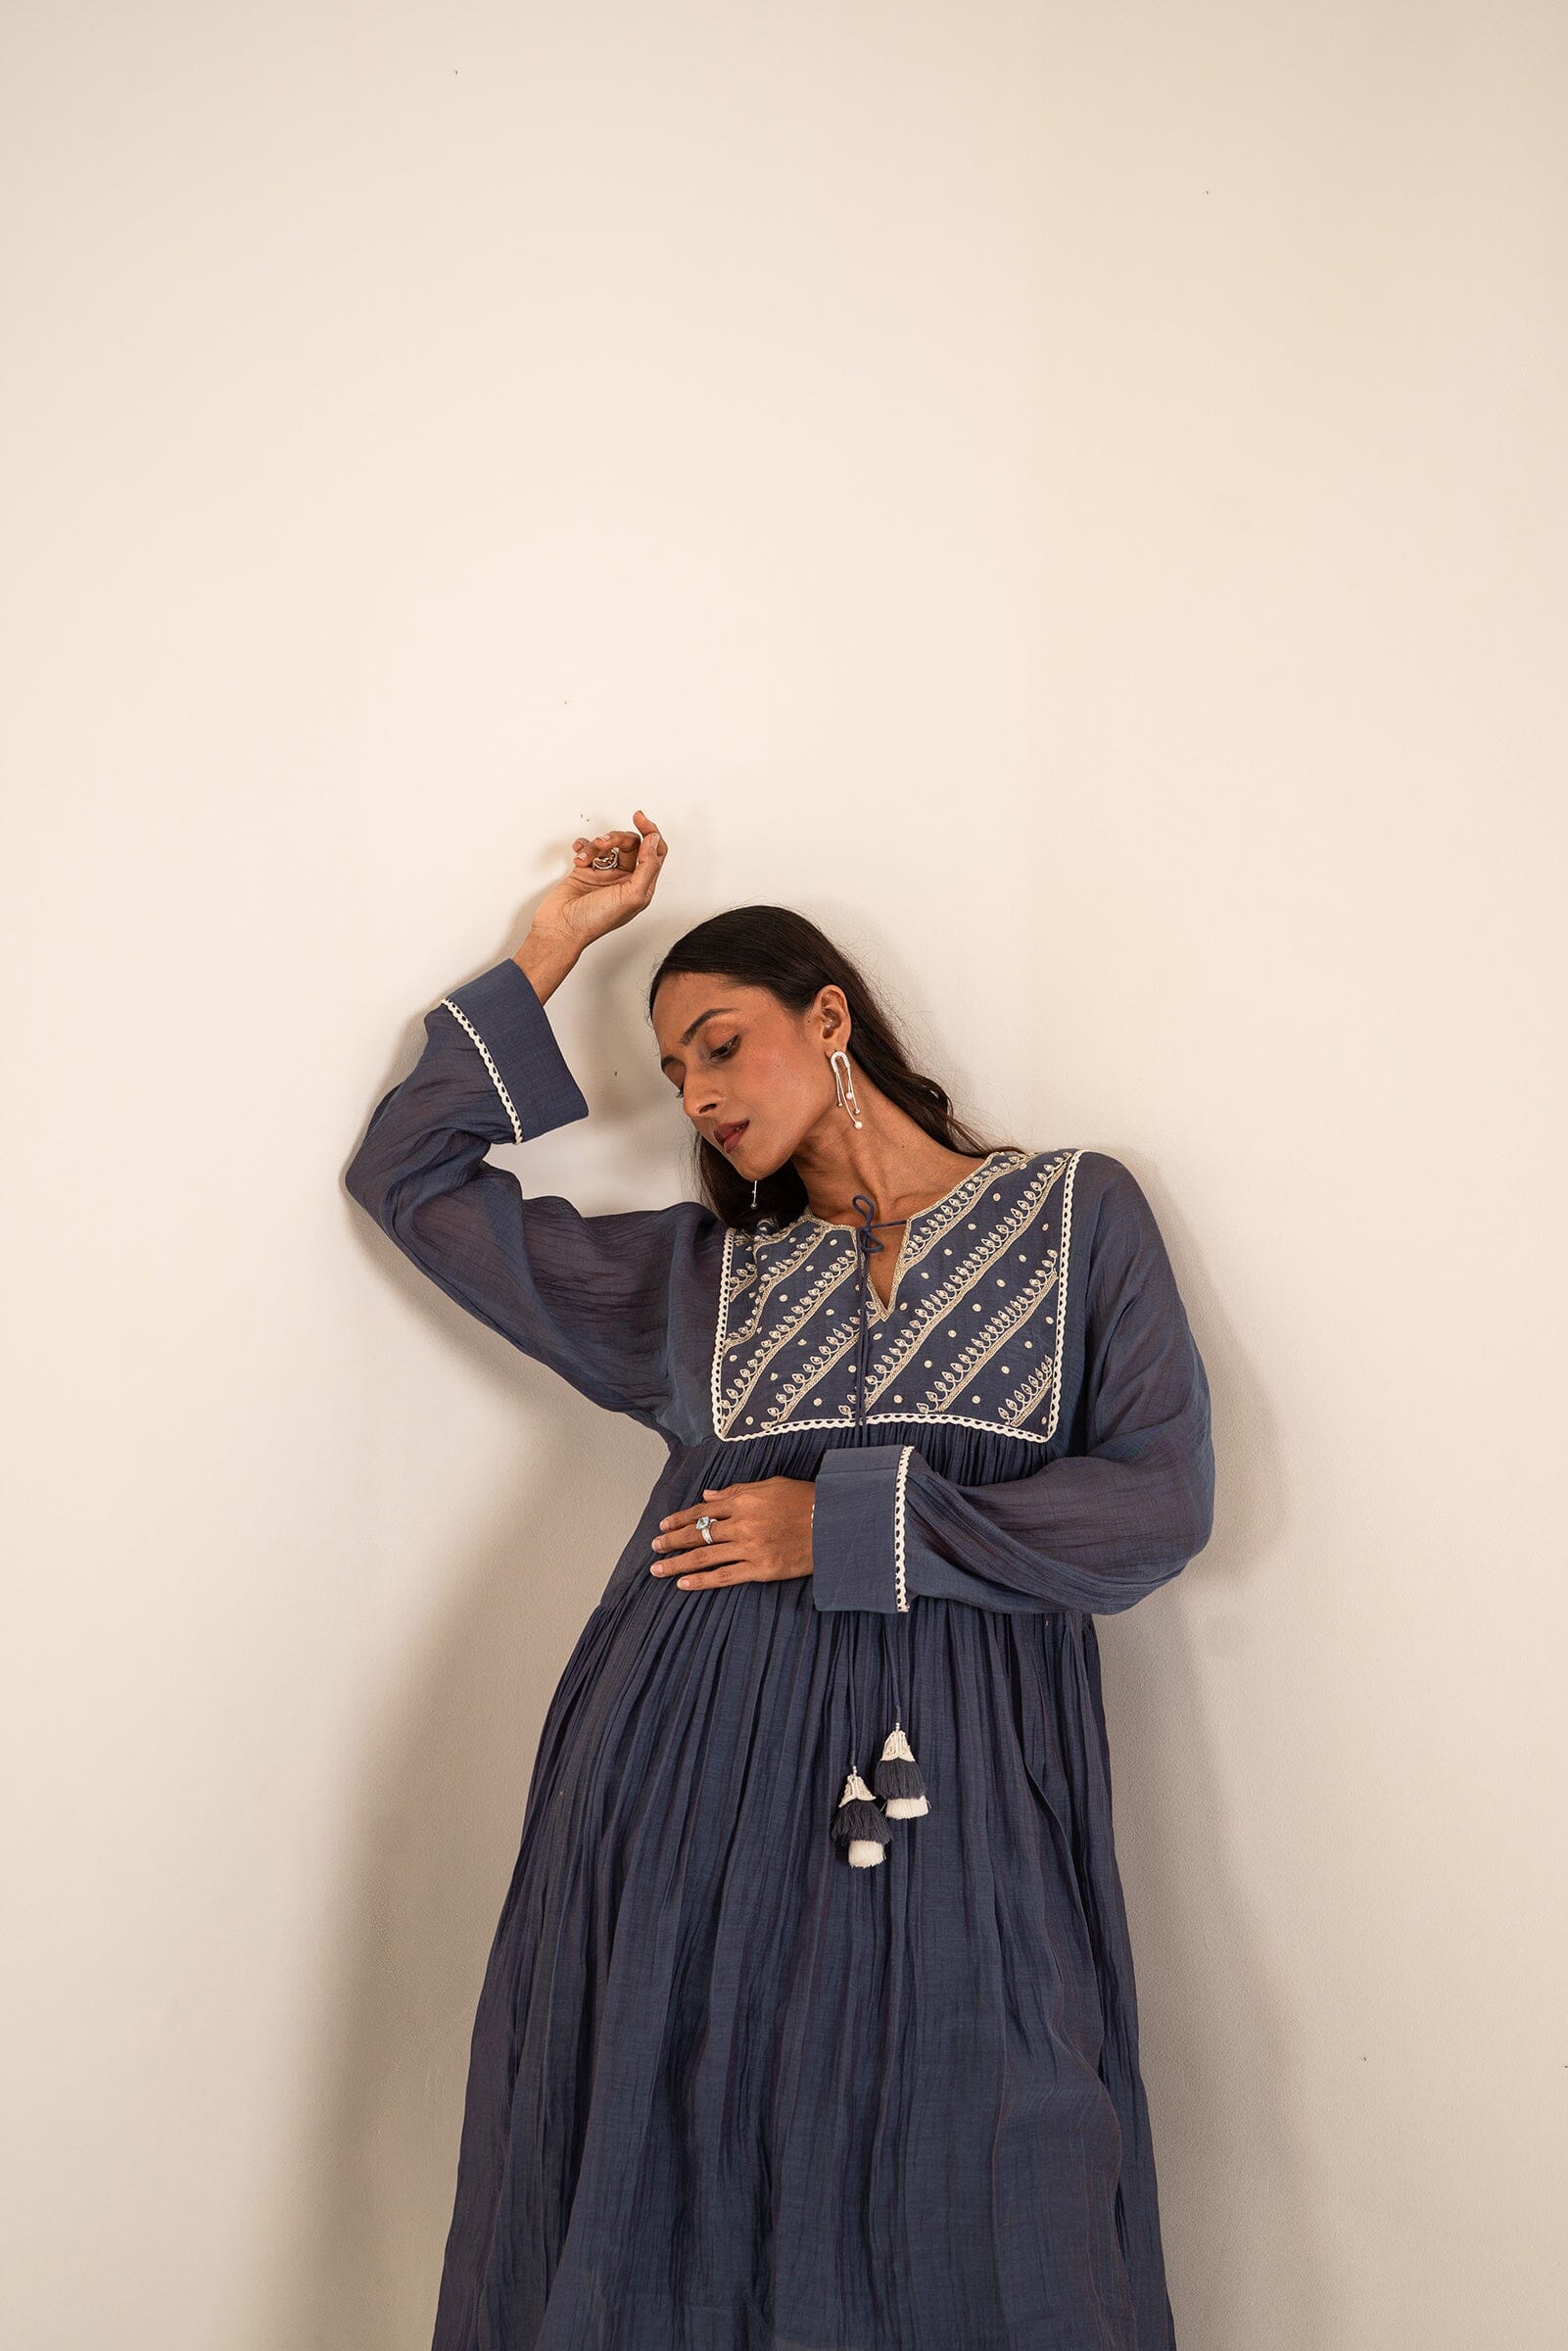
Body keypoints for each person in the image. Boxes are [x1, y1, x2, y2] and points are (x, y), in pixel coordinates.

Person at [344, 808, 1216, 2351]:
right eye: (674, 1070)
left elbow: (1154, 1506)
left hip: (960, 1779)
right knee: (682, 2151)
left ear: (827, 1018)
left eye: (719, 1044)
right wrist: (552, 943)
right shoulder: (699, 1283)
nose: (695, 1092)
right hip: (684, 1777)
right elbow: (408, 1180)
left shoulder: (1076, 1216)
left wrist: (848, 1524)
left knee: (998, 2148)